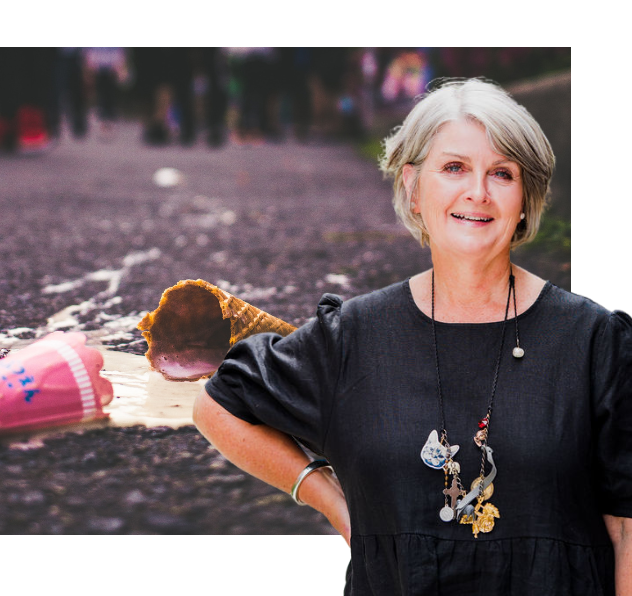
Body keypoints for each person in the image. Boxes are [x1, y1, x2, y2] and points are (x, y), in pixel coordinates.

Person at [193, 78, 631, 595]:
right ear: (412, 188)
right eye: (453, 168)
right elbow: (218, 406)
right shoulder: (354, 336)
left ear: (525, 198)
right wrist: (333, 502)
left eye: (502, 173)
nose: (478, 192)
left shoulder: (594, 341)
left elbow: (626, 530)